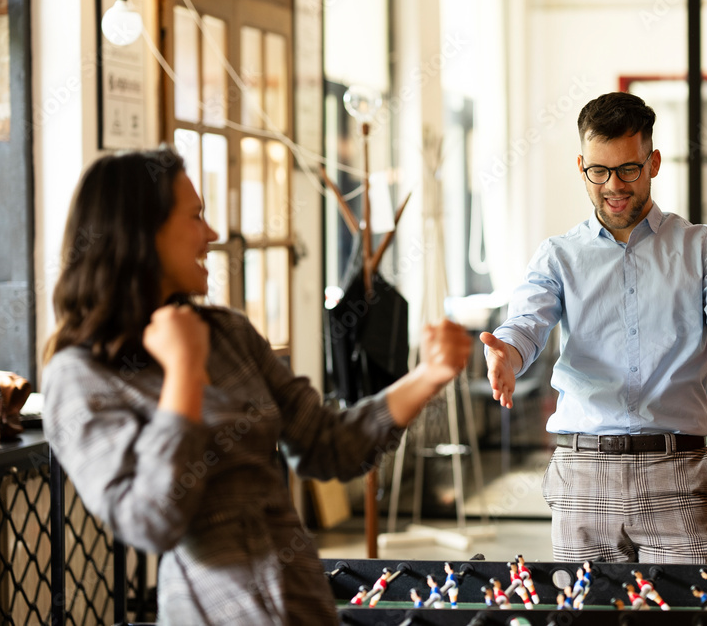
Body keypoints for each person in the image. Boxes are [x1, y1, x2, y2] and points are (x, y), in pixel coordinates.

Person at [41, 149, 473, 625]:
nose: (212, 234)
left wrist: (427, 375)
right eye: (195, 216)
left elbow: (327, 443)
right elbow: (151, 521)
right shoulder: (78, 374)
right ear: (140, 234)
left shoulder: (227, 333)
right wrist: (185, 371)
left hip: (303, 603)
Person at [480, 92, 707, 565]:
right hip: (583, 476)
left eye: (628, 169)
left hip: (676, 475)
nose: (613, 185)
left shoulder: (703, 247)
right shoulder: (558, 255)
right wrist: (505, 353)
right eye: (599, 171)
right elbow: (526, 324)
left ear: (652, 162)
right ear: (582, 166)